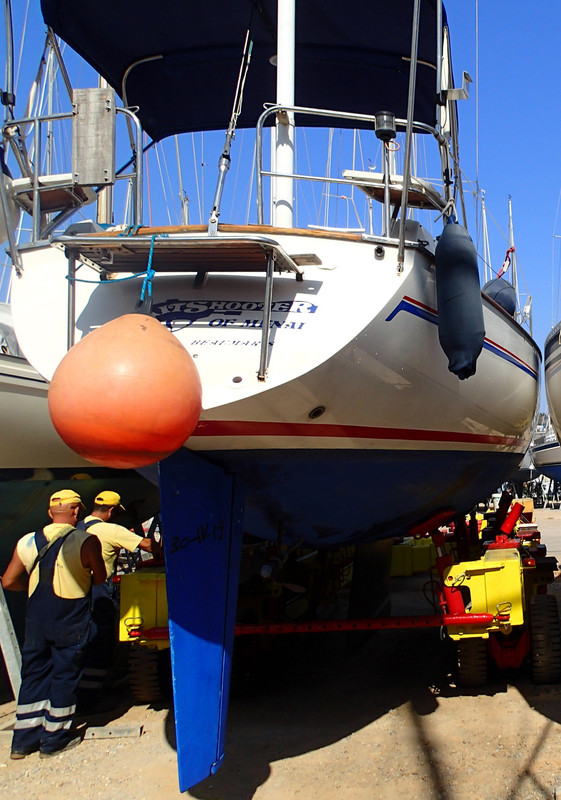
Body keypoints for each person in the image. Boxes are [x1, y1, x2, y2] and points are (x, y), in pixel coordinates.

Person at [1, 489, 105, 759]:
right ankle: (53, 739)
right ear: (76, 511)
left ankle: (23, 742)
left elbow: (8, 581)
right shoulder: (86, 540)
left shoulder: (26, 541)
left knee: (34, 674)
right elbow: (99, 578)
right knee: (65, 675)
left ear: (49, 512)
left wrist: (32, 588)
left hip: (36, 620)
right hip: (69, 618)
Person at [76, 490, 161, 704]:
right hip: (99, 591)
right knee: (101, 641)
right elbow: (147, 545)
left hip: (75, 591)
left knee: (82, 640)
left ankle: (79, 692)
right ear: (112, 510)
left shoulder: (77, 527)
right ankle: (91, 698)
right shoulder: (111, 530)